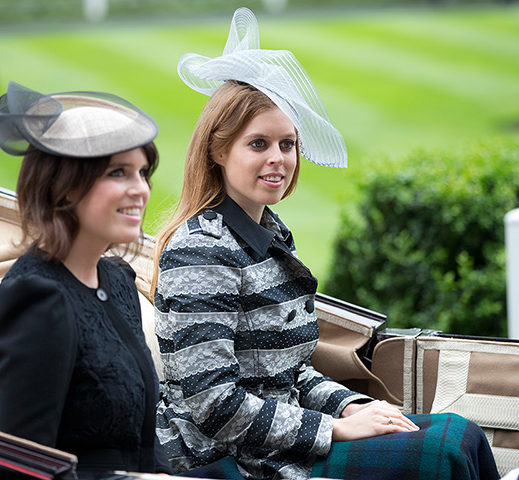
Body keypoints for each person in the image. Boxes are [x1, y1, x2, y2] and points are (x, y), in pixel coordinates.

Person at [151, 8, 499, 480]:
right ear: (218, 151)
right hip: (231, 461)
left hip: (282, 440)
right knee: (442, 455)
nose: (278, 159)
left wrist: (351, 406)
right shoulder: (200, 251)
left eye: (288, 144)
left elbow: (289, 373)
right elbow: (214, 404)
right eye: (258, 144)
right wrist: (332, 429)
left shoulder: (269, 232)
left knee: (463, 433)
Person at [0, 81, 170, 476]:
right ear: (64, 189)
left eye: (143, 172)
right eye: (118, 173)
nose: (141, 190)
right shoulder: (37, 301)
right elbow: (23, 468)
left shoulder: (116, 281)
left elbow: (142, 444)